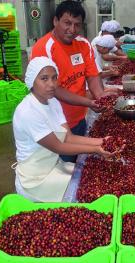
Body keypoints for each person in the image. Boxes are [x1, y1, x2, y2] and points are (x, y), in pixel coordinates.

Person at [13, 57, 119, 202]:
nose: (51, 84)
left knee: (96, 180)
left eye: (54, 78)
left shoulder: (53, 102)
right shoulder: (28, 112)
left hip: (54, 166)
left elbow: (69, 137)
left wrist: (103, 141)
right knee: (87, 191)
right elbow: (59, 147)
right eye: (44, 79)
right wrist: (96, 149)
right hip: (36, 179)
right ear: (32, 81)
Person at [31, 0, 107, 162]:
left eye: (77, 25)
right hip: (55, 125)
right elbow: (53, 89)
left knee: (78, 164)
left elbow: (92, 75)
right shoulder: (44, 48)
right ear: (55, 21)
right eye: (67, 23)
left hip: (79, 117)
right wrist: (88, 102)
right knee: (63, 166)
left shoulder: (83, 44)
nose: (72, 30)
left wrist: (101, 97)